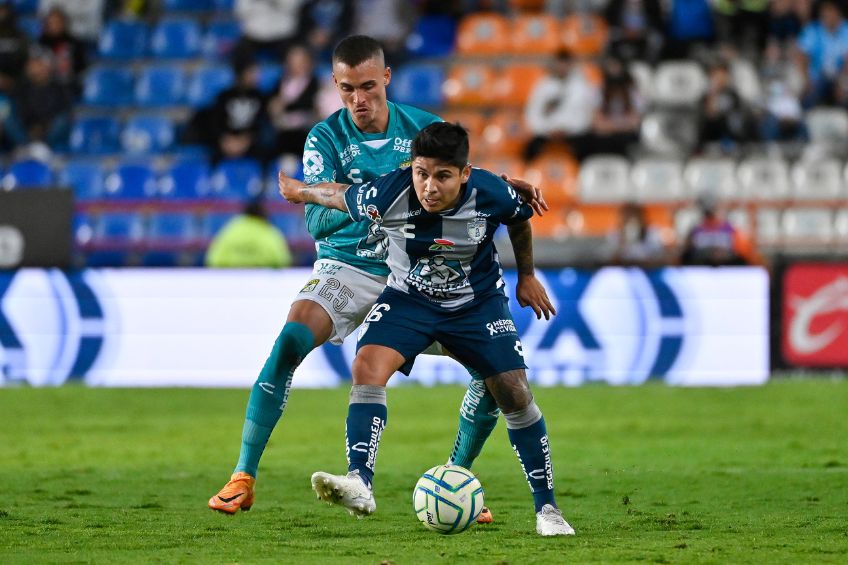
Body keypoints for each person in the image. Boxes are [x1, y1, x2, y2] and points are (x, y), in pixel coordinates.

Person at [207, 35, 546, 523]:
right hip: (350, 267)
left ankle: (456, 479)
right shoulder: (324, 139)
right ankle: (243, 476)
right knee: (290, 339)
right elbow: (320, 222)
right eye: (347, 89)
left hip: (419, 274)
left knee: (496, 379)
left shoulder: (422, 127)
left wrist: (497, 185)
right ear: (335, 86)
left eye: (368, 86)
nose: (358, 100)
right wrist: (381, 198)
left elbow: (457, 180)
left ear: (386, 78)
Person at [278, 122, 574, 536]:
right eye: (421, 172)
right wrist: (300, 192)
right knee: (366, 364)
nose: (429, 186)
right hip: (409, 301)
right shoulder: (390, 192)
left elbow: (519, 218)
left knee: (514, 392)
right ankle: (359, 481)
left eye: (442, 175)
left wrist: (526, 276)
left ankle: (548, 511)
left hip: (476, 303)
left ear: (464, 173)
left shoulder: (490, 191)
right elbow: (340, 196)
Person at [680, 189, 760, 266]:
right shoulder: (695, 231)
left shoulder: (730, 230)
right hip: (702, 273)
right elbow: (686, 257)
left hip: (728, 273)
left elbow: (746, 255)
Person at [205, 199, 292, 269]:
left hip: (231, 281)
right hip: (262, 283)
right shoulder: (268, 231)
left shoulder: (231, 229)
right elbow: (282, 260)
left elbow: (213, 259)